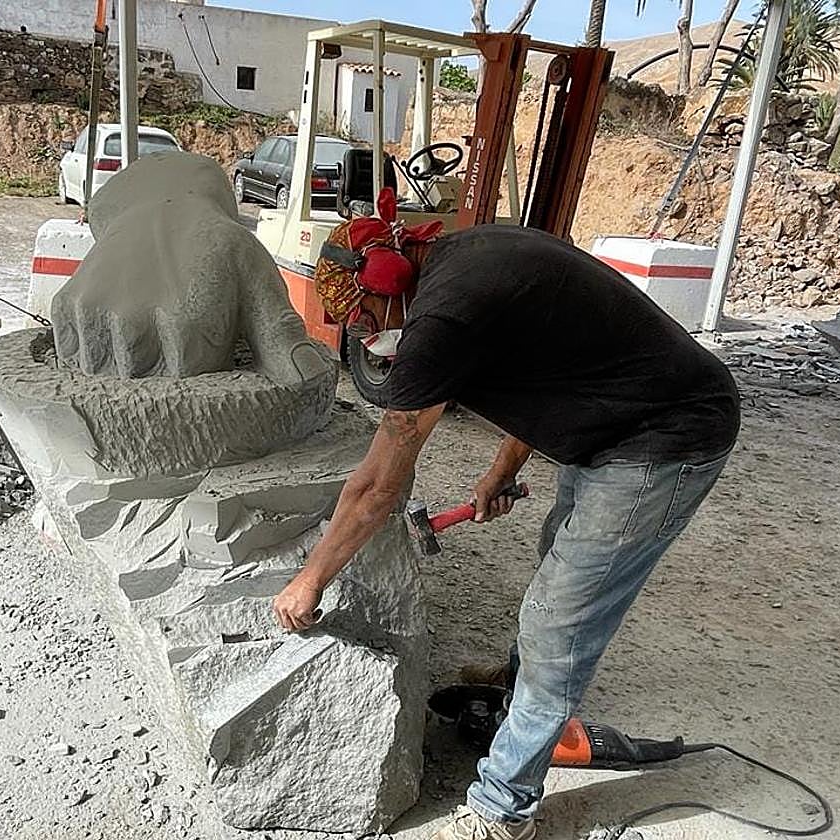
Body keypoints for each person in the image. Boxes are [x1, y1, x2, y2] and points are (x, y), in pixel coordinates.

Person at [271, 201, 740, 840]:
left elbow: (379, 485)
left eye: (362, 316)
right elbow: (539, 368)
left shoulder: (442, 318)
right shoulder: (464, 260)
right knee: (560, 553)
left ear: (387, 280)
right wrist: (502, 467)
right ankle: (520, 690)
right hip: (618, 417)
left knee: (560, 619)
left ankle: (503, 808)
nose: (361, 331)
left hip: (667, 435)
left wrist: (311, 580)